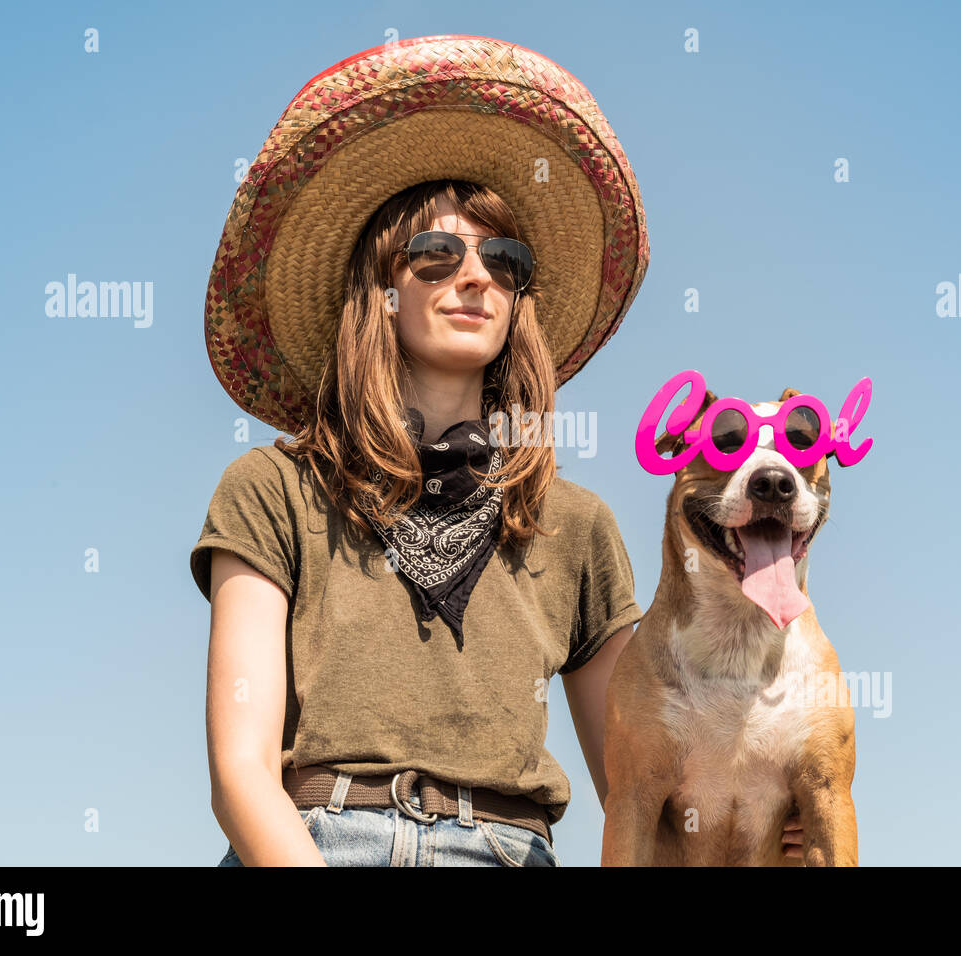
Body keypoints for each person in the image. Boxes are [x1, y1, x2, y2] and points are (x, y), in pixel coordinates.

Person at [189, 35, 804, 866]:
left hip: (510, 850)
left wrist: (770, 827)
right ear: (380, 288)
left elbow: (643, 787)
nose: (475, 278)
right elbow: (241, 772)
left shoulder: (576, 527)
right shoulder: (272, 489)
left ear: (521, 300)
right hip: (318, 841)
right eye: (437, 256)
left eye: (503, 260)